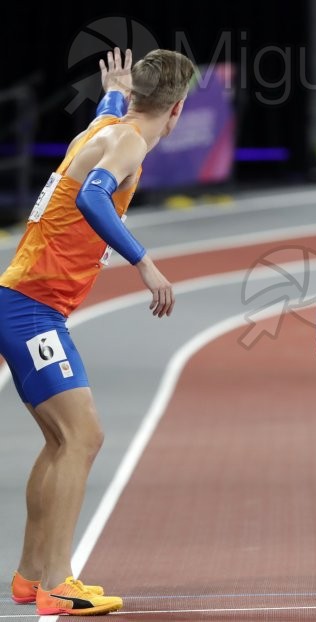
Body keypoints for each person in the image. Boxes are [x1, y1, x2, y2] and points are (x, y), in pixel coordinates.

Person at [2, 48, 194, 616]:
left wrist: (113, 93)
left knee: (63, 440)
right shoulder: (129, 141)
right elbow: (91, 195)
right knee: (83, 437)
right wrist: (144, 261)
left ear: (136, 98)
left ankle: (30, 575)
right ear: (178, 109)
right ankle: (58, 582)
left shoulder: (108, 125)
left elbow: (103, 131)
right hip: (31, 306)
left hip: (27, 302)